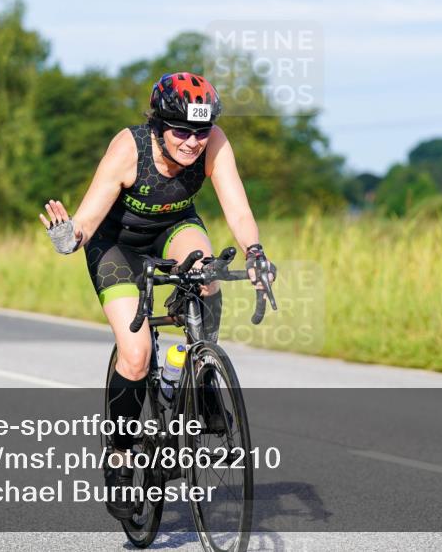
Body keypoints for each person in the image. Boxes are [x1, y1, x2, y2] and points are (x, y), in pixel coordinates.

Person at [39, 72, 275, 520]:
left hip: (173, 229)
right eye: (181, 131)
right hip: (116, 245)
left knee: (209, 273)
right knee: (137, 352)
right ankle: (121, 461)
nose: (192, 143)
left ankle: (200, 371)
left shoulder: (214, 142)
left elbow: (237, 207)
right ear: (158, 125)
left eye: (200, 131)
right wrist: (69, 237)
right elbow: (88, 217)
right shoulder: (129, 149)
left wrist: (256, 253)